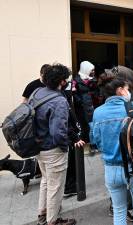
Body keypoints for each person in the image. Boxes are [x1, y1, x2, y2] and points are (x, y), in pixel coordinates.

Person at [91, 66, 133, 225]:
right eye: (126, 88)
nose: (128, 90)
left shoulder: (98, 112)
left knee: (119, 210)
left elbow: (95, 140)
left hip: (111, 168)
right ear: (120, 90)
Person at [35, 64, 78, 225]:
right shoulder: (59, 100)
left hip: (38, 146)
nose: (67, 82)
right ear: (61, 81)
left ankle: (42, 214)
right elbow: (58, 132)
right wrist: (65, 146)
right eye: (65, 79)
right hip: (53, 149)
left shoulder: (37, 93)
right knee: (56, 187)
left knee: (46, 181)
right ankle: (53, 221)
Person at [73, 61, 97, 155]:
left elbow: (96, 91)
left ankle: (93, 145)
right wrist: (81, 102)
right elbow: (74, 94)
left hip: (91, 106)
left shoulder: (93, 79)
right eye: (91, 70)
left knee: (92, 126)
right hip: (82, 108)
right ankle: (84, 146)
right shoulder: (76, 80)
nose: (93, 72)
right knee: (84, 127)